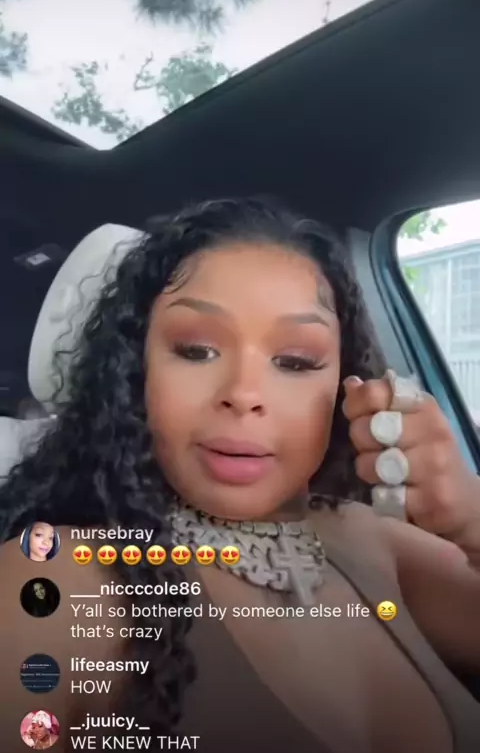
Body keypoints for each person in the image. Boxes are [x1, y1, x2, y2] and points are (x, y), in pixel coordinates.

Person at [0, 198, 479, 753]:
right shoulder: (57, 581)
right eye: (196, 350)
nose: (244, 394)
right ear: (135, 374)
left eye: (295, 361)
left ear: (342, 387)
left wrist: (471, 518)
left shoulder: (374, 540)